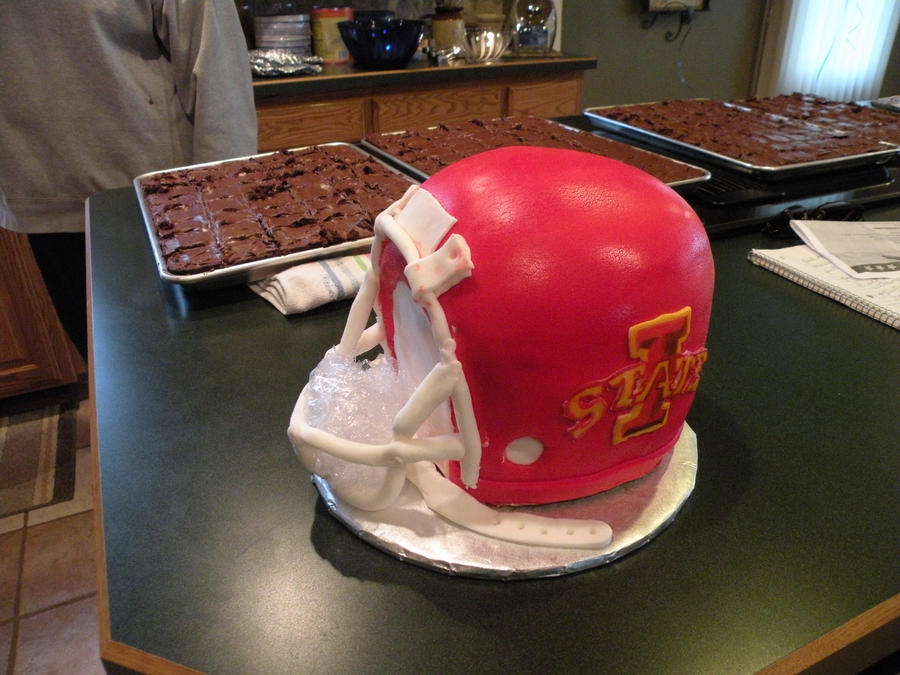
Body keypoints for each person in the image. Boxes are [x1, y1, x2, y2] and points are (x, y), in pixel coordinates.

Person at [0, 0, 259, 358]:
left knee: (192, 362)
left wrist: (224, 215)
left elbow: (220, 83)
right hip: (42, 196)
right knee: (102, 365)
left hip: (156, 213)